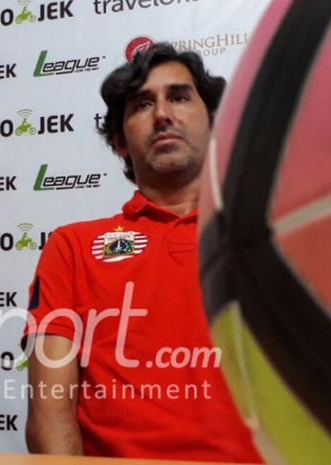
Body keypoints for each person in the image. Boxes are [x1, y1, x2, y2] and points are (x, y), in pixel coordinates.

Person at [23, 43, 262, 462]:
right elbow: (49, 410)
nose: (163, 114)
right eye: (143, 104)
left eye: (180, 97)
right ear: (118, 141)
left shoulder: (272, 237)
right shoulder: (72, 248)